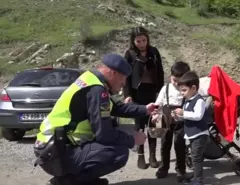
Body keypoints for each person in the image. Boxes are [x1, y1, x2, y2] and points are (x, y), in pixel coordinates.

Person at [33, 53, 159, 185]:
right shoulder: (97, 90)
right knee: (119, 153)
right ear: (112, 73)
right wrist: (132, 139)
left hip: (51, 148)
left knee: (114, 146)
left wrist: (145, 109)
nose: (124, 83)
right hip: (57, 153)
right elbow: (104, 134)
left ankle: (83, 179)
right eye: (124, 78)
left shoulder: (91, 80)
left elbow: (117, 108)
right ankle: (65, 182)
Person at [123, 26, 164, 169]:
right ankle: (141, 156)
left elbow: (160, 72)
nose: (141, 43)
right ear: (133, 41)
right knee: (139, 126)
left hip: (152, 92)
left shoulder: (154, 52)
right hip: (137, 93)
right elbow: (126, 76)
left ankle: (152, 156)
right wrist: (127, 95)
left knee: (152, 125)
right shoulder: (130, 54)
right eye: (138, 41)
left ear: (148, 39)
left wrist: (161, 92)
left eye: (144, 40)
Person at [152, 61, 193, 184]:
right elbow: (158, 104)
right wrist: (155, 113)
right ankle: (164, 167)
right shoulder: (166, 88)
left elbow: (192, 105)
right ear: (171, 77)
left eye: (179, 81)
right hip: (165, 121)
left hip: (180, 123)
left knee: (179, 145)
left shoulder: (188, 90)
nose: (176, 83)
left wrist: (184, 111)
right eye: (174, 80)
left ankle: (181, 170)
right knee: (165, 145)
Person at [173, 71, 210, 185]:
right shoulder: (187, 102)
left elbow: (198, 116)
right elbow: (188, 118)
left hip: (200, 134)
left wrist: (183, 112)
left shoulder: (199, 101)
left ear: (193, 88)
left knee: (196, 158)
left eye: (184, 90)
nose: (182, 93)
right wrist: (178, 117)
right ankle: (196, 177)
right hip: (193, 134)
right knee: (195, 157)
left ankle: (198, 181)